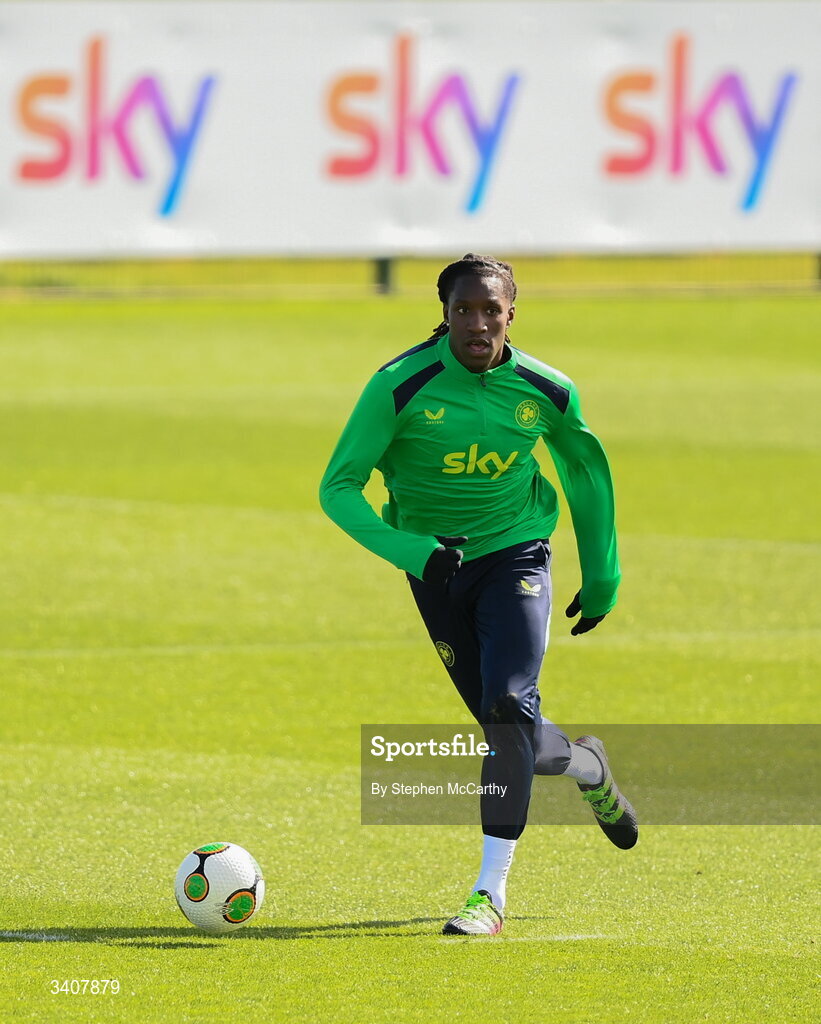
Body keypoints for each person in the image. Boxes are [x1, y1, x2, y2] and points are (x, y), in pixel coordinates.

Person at [319, 254, 637, 936]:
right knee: (511, 732)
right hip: (434, 568)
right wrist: (416, 553)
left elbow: (583, 469)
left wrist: (602, 573)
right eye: (464, 309)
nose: (477, 323)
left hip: (515, 551)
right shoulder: (399, 387)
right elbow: (338, 486)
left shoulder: (545, 390)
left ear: (510, 315)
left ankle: (488, 894)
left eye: (490, 310)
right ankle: (584, 762)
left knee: (504, 707)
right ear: (444, 314)